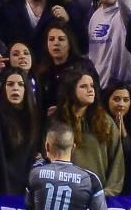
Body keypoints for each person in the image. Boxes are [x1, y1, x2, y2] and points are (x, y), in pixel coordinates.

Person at [49, 67, 124, 196]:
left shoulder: (105, 122)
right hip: (65, 197)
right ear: (71, 91)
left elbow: (117, 162)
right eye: (83, 86)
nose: (90, 90)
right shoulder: (57, 122)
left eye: (92, 86)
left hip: (100, 199)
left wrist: (107, 193)